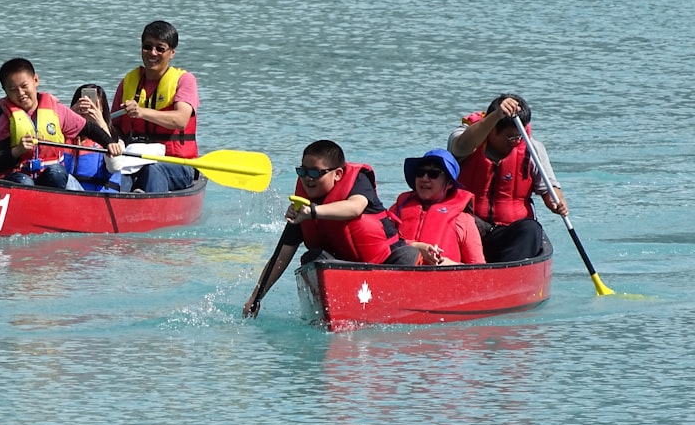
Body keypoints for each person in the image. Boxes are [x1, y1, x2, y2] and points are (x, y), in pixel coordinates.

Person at [243, 140, 419, 318]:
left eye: (314, 173)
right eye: (302, 172)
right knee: (314, 259)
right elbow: (280, 257)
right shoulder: (302, 208)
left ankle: (398, 310)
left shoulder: (357, 181)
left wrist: (312, 212)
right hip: (343, 273)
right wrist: (256, 297)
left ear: (337, 174)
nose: (307, 178)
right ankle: (335, 315)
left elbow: (356, 207)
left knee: (409, 255)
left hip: (385, 263)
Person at [447, 93, 568, 262]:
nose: (516, 141)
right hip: (469, 227)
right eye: (510, 137)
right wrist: (497, 115)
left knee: (531, 229)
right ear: (492, 130)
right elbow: (460, 147)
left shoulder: (533, 149)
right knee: (447, 222)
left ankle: (510, 276)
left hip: (509, 232)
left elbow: (549, 189)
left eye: (519, 136)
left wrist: (556, 202)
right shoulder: (464, 137)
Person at [0, 58, 123, 188]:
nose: (21, 93)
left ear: (35, 80)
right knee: (24, 182)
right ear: (5, 90)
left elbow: (89, 129)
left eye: (24, 86)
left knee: (57, 172)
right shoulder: (5, 116)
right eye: (13, 90)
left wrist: (109, 142)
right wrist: (18, 150)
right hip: (20, 176)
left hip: (51, 176)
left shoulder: (56, 110)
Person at [110, 20, 198, 193]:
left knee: (152, 169)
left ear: (172, 52)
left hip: (176, 163)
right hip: (133, 159)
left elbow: (180, 120)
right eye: (147, 47)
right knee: (115, 173)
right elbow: (115, 127)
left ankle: (149, 213)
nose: (152, 53)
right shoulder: (128, 82)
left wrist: (142, 112)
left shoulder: (185, 81)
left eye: (160, 48)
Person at [389, 148, 486, 266]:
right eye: (420, 172)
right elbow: (379, 244)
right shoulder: (398, 209)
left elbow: (480, 270)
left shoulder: (464, 221)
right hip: (400, 274)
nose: (424, 179)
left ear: (449, 183)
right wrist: (414, 246)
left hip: (445, 279)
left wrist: (453, 265)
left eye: (433, 174)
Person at [63, 84, 126, 192]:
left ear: (102, 111)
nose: (88, 110)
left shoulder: (117, 141)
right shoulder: (61, 136)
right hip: (66, 195)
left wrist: (101, 124)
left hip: (96, 199)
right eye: (83, 105)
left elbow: (115, 166)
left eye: (94, 107)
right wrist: (69, 115)